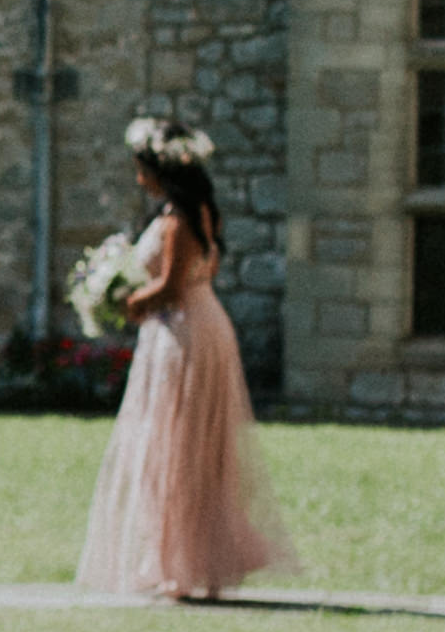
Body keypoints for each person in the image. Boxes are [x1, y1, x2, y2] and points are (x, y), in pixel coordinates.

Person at [75, 118, 288, 602]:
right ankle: (185, 560)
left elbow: (171, 285)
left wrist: (125, 302)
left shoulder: (175, 222)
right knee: (193, 448)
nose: (137, 179)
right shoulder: (199, 211)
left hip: (183, 333)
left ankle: (181, 564)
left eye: (140, 169)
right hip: (202, 323)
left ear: (159, 170)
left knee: (176, 447)